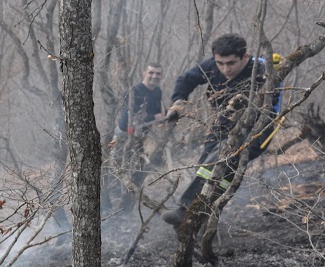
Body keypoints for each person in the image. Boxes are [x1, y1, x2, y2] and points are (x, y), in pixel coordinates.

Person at [161, 33, 279, 226]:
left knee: (222, 159)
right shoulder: (211, 66)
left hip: (257, 128)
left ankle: (187, 210)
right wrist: (177, 103)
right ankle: (203, 218)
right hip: (222, 123)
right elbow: (186, 79)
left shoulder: (260, 71)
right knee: (205, 168)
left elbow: (268, 105)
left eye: (231, 63)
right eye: (220, 63)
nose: (226, 69)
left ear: (245, 57)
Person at [107, 63, 166, 210]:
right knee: (116, 167)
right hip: (124, 134)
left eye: (158, 73)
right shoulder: (135, 91)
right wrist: (155, 116)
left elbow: (159, 114)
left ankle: (127, 201)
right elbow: (130, 118)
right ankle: (110, 204)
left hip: (141, 136)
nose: (154, 76)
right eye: (151, 72)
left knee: (139, 168)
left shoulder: (157, 92)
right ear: (143, 72)